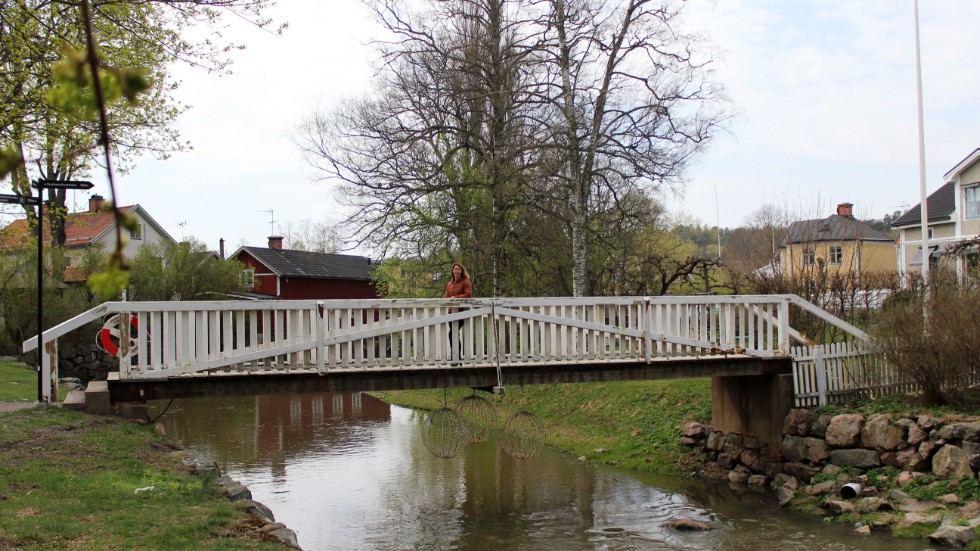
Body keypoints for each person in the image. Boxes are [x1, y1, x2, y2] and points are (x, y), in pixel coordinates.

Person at [445, 262, 472, 364]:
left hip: (461, 312)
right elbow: (447, 296)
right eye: (455, 269)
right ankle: (457, 357)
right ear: (453, 271)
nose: (457, 271)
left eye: (459, 269)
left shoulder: (465, 281)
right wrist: (449, 299)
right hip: (451, 312)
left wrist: (455, 298)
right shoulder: (449, 284)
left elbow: (468, 294)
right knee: (453, 333)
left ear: (462, 271)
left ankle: (456, 357)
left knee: (453, 333)